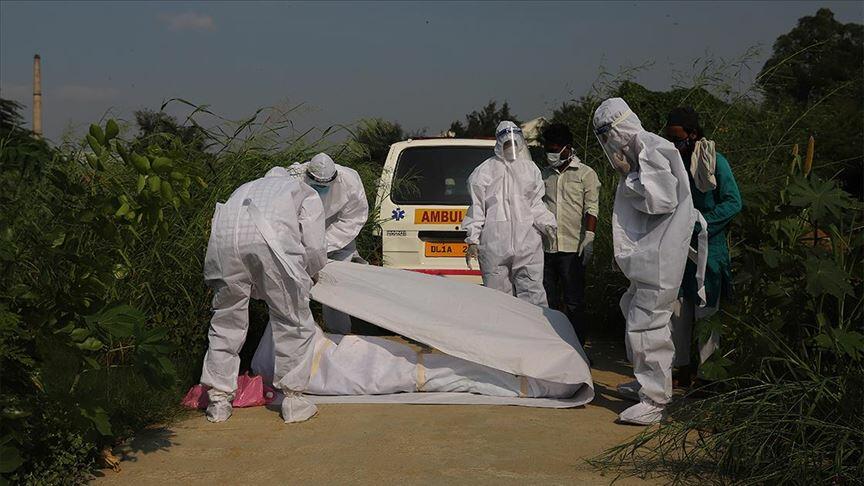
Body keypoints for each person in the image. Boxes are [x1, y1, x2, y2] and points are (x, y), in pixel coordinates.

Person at [592, 98, 706, 425]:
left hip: (659, 257)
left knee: (647, 324)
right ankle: (647, 382)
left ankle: (654, 400)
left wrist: (630, 177)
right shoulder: (640, 149)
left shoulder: (649, 150)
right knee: (633, 312)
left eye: (607, 134)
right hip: (649, 256)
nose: (607, 143)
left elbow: (662, 199)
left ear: (617, 128)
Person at [199, 167, 327, 424]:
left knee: (226, 320)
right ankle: (293, 401)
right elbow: (313, 245)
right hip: (269, 242)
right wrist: (312, 273)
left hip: (224, 244)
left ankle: (218, 401)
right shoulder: (301, 189)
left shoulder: (244, 187)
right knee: (292, 319)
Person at [665, 107, 742, 386]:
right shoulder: (673, 164)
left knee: (707, 315)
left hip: (710, 250)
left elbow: (733, 202)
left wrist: (700, 223)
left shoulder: (714, 162)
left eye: (678, 139)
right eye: (669, 140)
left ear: (693, 134)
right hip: (679, 251)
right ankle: (681, 368)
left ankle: (708, 376)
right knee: (678, 313)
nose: (674, 145)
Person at [267, 152, 368, 334]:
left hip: (339, 242)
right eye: (316, 185)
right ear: (308, 174)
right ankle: (293, 333)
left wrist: (324, 244)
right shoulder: (294, 176)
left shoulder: (350, 181)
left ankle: (339, 334)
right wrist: (303, 244)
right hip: (302, 241)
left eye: (325, 185)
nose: (321, 189)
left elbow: (352, 219)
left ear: (335, 178)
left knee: (336, 290)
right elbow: (285, 214)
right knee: (293, 289)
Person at [462, 121, 557, 306]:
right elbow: (477, 209)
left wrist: (548, 224)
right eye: (507, 143)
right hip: (494, 243)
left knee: (533, 294)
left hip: (527, 241)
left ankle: (533, 332)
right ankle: (500, 334)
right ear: (499, 143)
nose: (511, 147)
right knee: (497, 299)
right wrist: (472, 239)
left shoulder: (530, 170)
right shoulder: (484, 172)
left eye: (514, 143)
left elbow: (536, 205)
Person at [540, 123, 601, 345]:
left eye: (555, 150)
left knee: (574, 301)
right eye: (548, 149)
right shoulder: (543, 175)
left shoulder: (586, 174)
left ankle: (578, 349)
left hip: (572, 249)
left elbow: (591, 208)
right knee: (548, 301)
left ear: (567, 148)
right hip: (546, 247)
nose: (551, 154)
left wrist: (590, 237)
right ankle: (553, 347)